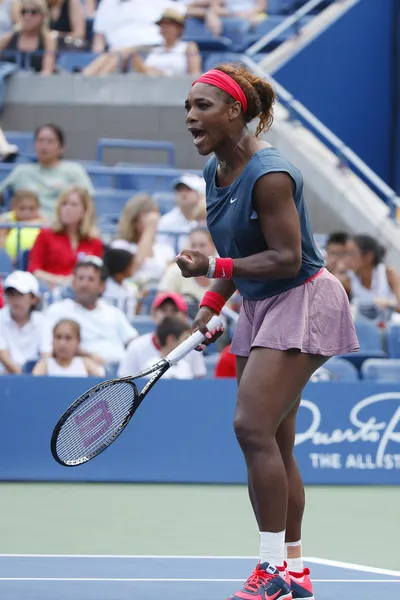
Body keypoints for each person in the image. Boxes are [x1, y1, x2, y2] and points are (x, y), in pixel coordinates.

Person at [177, 63, 359, 600]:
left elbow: (283, 258)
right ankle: (296, 570)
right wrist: (213, 302)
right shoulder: (216, 170)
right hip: (260, 306)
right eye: (187, 108)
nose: (190, 117)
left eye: (202, 107)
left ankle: (271, 570)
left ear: (236, 111)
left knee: (251, 428)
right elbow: (240, 252)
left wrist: (213, 270)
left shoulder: (271, 173)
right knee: (275, 443)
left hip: (304, 300)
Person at [46, 256, 138, 366]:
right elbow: (48, 351)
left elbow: (134, 341)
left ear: (102, 286)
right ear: (73, 283)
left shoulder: (114, 313)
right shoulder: (58, 310)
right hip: (82, 371)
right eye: (80, 278)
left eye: (91, 279)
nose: (84, 284)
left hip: (120, 371)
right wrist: (88, 357)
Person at [0, 124, 95, 220]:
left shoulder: (74, 171)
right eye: (40, 140)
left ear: (61, 147)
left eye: (50, 141)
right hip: (25, 228)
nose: (44, 146)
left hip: (59, 228)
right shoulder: (21, 172)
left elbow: (89, 203)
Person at [28, 186, 103, 288]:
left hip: (82, 293)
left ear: (85, 211)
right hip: (49, 290)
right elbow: (34, 270)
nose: (67, 208)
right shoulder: (45, 235)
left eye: (74, 205)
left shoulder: (94, 242)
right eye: (64, 204)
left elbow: (97, 275)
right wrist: (61, 281)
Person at [118, 291, 206, 378]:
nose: (168, 315)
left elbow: (198, 382)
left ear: (184, 316)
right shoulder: (136, 346)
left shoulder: (192, 348)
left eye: (174, 310)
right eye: (163, 310)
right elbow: (123, 382)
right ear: (153, 315)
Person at [83, 0, 169, 75]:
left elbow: (176, 15)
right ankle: (87, 76)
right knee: (109, 57)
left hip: (149, 48)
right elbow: (99, 38)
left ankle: (89, 78)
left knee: (119, 55)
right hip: (115, 52)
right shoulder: (107, 3)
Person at [111, 193, 175, 288]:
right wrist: (149, 230)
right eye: (146, 214)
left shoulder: (164, 249)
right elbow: (132, 270)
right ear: (134, 219)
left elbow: (170, 278)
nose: (152, 219)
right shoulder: (119, 245)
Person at [0, 270, 51, 374]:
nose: (14, 299)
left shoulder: (43, 321)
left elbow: (46, 357)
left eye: (20, 294)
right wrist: (25, 380)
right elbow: (4, 357)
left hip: (35, 379)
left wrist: (32, 380)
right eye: (11, 294)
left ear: (34, 299)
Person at [343, 234, 400, 321]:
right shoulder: (347, 279)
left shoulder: (388, 273)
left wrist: (389, 305)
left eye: (352, 253)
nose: (346, 258)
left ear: (369, 256)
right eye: (346, 253)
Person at [132, 7, 201, 77]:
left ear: (179, 28)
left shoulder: (188, 47)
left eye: (169, 25)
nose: (165, 28)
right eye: (163, 25)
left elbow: (194, 74)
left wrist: (159, 73)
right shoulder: (153, 50)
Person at [158, 226, 216, 303]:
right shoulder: (175, 271)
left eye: (202, 245)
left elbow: (228, 307)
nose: (197, 250)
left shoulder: (221, 274)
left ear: (214, 247)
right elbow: (161, 303)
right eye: (193, 245)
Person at [33, 318, 105, 376]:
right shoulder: (45, 364)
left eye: (68, 338)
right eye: (58, 337)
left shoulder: (86, 363)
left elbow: (102, 385)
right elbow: (33, 384)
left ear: (78, 341)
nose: (62, 343)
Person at [0, 0, 57, 74]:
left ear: (43, 16)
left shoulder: (48, 40)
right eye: (24, 12)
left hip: (37, 84)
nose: (27, 16)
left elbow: (47, 71)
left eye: (33, 12)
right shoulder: (8, 38)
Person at [157, 173, 206, 251]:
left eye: (189, 190)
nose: (183, 194)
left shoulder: (209, 220)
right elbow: (161, 251)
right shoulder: (166, 221)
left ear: (200, 194)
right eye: (179, 190)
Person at [0, 189, 46, 261]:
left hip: (35, 262)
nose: (26, 212)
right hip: (10, 263)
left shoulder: (44, 223)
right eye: (22, 208)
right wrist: (7, 259)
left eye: (31, 209)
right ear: (13, 207)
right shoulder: (6, 221)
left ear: (38, 208)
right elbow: (1, 244)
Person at [102, 246, 138, 319]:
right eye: (130, 265)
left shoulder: (128, 285)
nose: (133, 267)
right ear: (122, 266)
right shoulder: (105, 289)